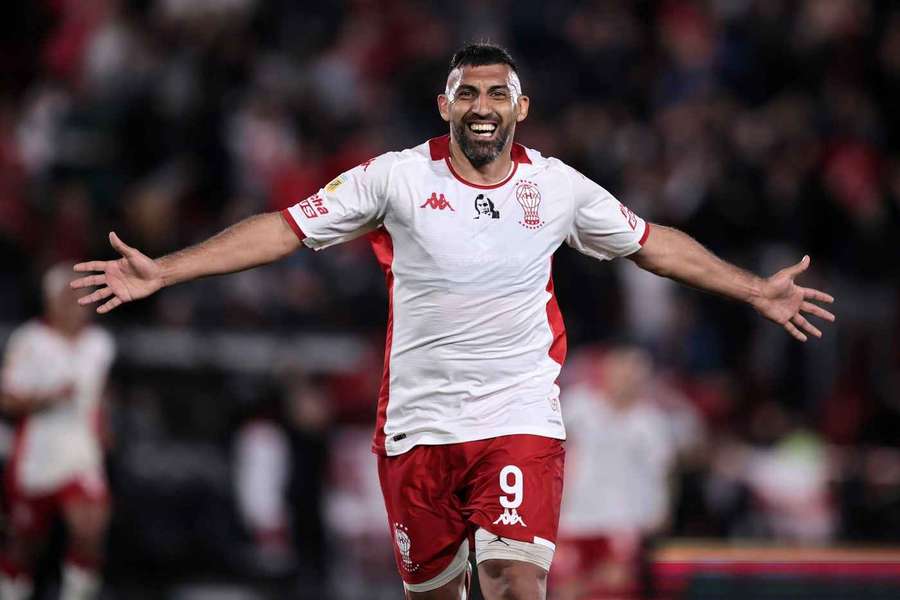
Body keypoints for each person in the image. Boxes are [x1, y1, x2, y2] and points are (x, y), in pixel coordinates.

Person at [70, 43, 835, 600]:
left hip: (519, 417)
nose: (482, 106)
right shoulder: (395, 177)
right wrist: (165, 269)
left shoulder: (559, 188)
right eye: (467, 94)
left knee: (508, 582)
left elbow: (651, 244)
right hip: (419, 427)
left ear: (519, 109)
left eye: (497, 94)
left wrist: (751, 290)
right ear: (446, 105)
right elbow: (282, 228)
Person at [1, 264, 116, 600]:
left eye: (81, 295)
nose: (77, 303)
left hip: (80, 451)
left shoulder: (100, 344)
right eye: (68, 296)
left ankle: (77, 593)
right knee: (24, 545)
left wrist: (104, 426)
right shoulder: (30, 341)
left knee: (90, 529)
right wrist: (45, 398)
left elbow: (98, 393)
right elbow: (7, 400)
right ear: (50, 301)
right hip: (37, 454)